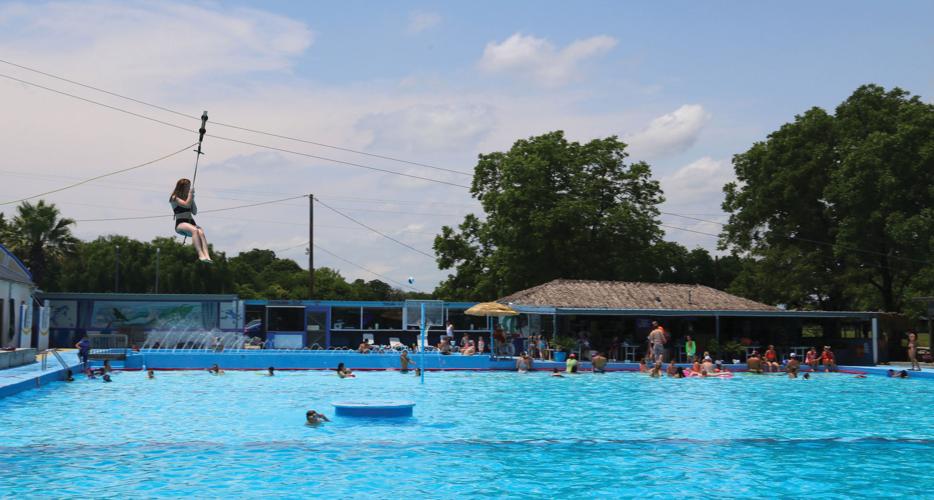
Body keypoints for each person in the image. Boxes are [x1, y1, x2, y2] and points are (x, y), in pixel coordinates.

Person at [169, 178, 213, 263]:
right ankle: (201, 255)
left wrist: (192, 198)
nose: (189, 189)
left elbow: (194, 212)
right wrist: (190, 196)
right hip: (181, 224)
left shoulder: (188, 197)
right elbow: (186, 205)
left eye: (189, 187)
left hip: (190, 222)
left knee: (201, 232)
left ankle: (207, 256)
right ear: (182, 188)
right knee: (195, 230)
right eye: (187, 187)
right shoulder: (174, 198)